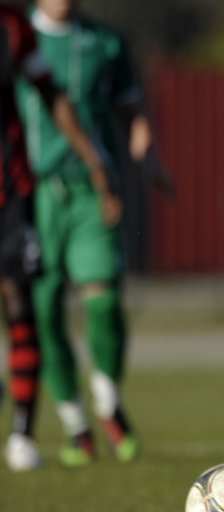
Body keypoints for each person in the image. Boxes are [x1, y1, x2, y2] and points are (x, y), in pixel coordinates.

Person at [15, 0, 155, 466]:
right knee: (44, 307)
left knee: (104, 298)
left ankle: (108, 402)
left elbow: (131, 108)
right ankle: (76, 423)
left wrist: (145, 155)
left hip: (94, 190)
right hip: (33, 195)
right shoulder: (16, 37)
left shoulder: (105, 42)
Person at [0, 3, 118, 471]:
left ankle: (22, 432)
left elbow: (52, 95)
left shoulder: (14, 27)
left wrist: (92, 158)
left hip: (10, 192)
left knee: (20, 301)